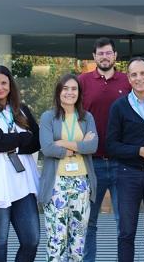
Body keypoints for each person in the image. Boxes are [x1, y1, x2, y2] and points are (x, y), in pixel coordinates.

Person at [0, 65, 41, 262]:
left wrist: (11, 142)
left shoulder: (22, 110)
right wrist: (22, 137)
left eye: (4, 83)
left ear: (10, 85)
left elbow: (36, 141)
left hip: (23, 184)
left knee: (31, 240)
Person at [106, 57, 144, 262]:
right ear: (128, 79)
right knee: (126, 233)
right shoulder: (119, 106)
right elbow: (111, 145)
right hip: (128, 176)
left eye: (143, 73)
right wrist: (140, 151)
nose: (139, 78)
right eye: (134, 74)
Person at [79, 37, 131, 262]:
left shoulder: (128, 81)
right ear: (94, 57)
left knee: (124, 223)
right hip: (92, 162)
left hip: (122, 163)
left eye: (108, 53)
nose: (104, 57)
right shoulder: (82, 81)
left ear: (115, 56)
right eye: (100, 53)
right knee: (88, 222)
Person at [38, 74, 98, 262]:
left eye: (74, 89)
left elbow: (93, 146)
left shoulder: (87, 117)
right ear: (58, 91)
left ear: (79, 93)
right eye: (65, 88)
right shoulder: (48, 117)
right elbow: (47, 148)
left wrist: (62, 142)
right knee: (56, 241)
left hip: (82, 183)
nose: (70, 92)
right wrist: (76, 148)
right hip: (56, 185)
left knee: (78, 242)